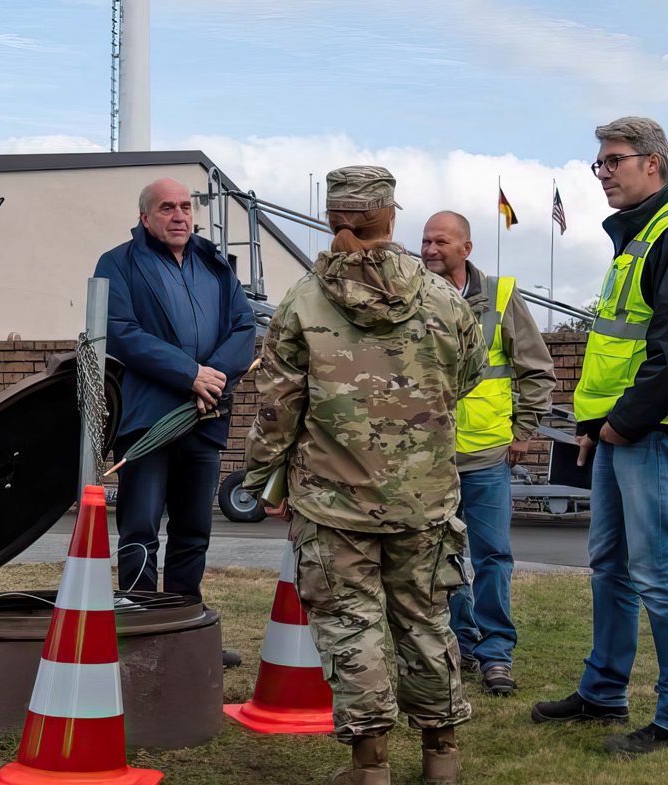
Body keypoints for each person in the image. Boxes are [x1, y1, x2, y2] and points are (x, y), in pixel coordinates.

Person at [243, 166, 484, 785]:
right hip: (424, 500)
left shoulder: (302, 300)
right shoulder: (442, 299)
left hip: (331, 503)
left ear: (331, 219)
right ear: (392, 218)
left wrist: (263, 477)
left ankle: (369, 768)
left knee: (353, 630)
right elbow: (467, 377)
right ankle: (442, 760)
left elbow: (276, 407)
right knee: (426, 623)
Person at [530, 117, 668, 754]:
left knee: (660, 573)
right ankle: (604, 691)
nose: (604, 172)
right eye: (599, 163)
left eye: (614, 160)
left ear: (654, 163)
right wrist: (594, 429)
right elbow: (618, 348)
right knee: (609, 565)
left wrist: (623, 423)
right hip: (620, 434)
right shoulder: (635, 237)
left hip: (653, 433)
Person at [94, 177, 255, 668]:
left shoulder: (216, 264)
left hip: (205, 418)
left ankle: (184, 628)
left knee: (193, 529)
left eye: (186, 206)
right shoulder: (117, 264)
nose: (180, 215)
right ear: (145, 217)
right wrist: (189, 373)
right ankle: (142, 633)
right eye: (167, 208)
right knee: (140, 527)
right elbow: (118, 331)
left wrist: (215, 378)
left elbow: (245, 327)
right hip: (147, 421)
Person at [421, 211, 555, 696]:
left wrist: (523, 430)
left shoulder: (500, 296)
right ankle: (461, 645)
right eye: (425, 241)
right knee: (442, 559)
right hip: (428, 462)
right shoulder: (412, 296)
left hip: (486, 459)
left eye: (441, 241)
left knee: (493, 557)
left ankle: (496, 654)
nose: (431, 249)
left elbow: (535, 369)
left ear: (466, 249)